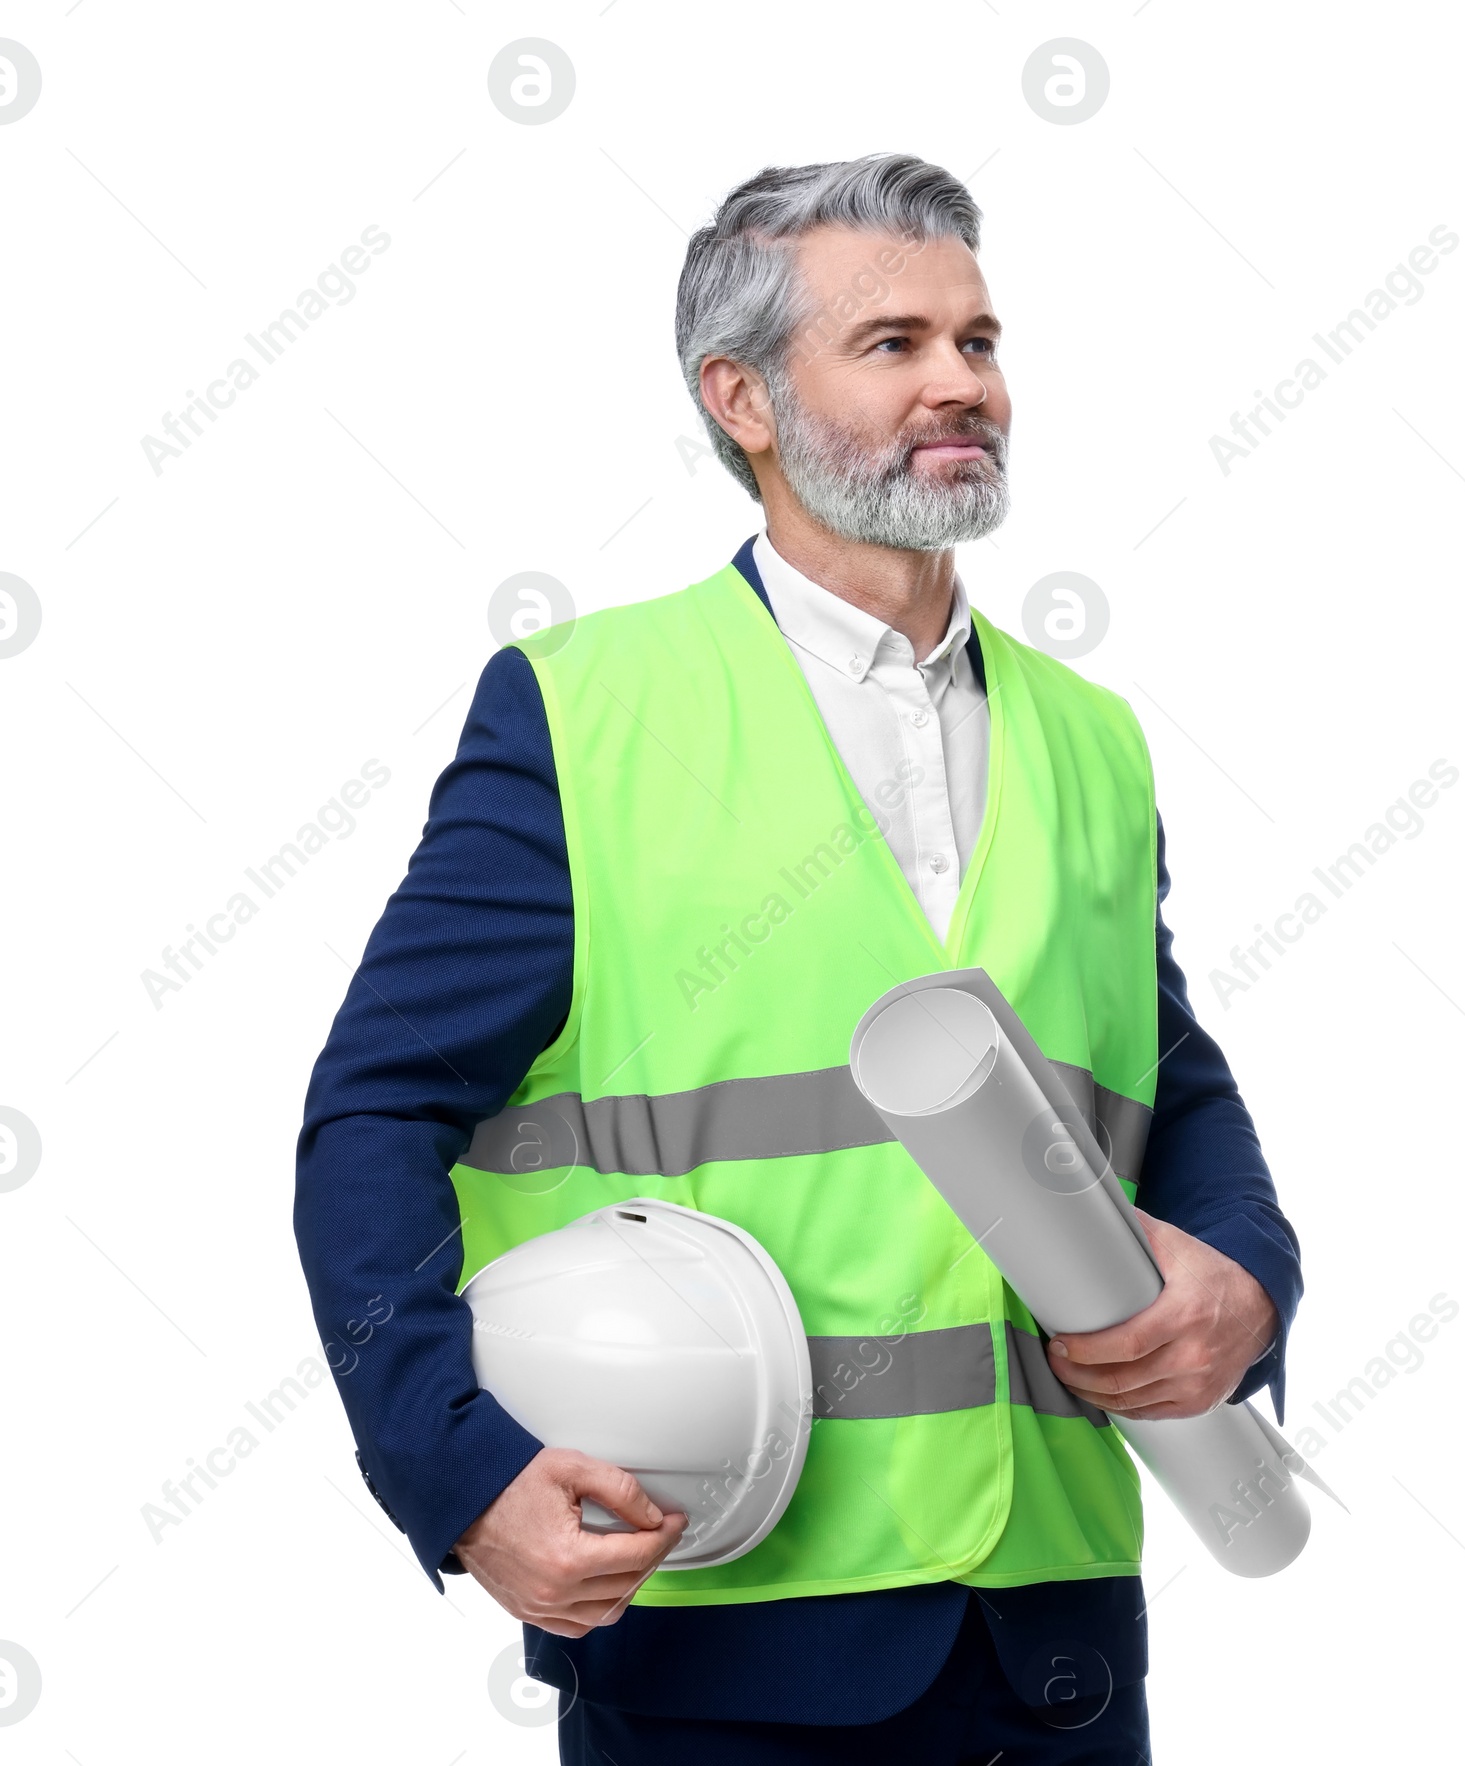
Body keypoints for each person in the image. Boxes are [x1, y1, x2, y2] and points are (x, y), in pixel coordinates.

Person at [294, 152, 1302, 1764]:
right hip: (722, 1630)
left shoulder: (1093, 738)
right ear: (742, 399)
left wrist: (1248, 1278)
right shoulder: (583, 709)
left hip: (1059, 1636)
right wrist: (461, 1468)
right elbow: (374, 1114)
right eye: (893, 344)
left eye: (978, 340)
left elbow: (1163, 1076)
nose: (962, 381)